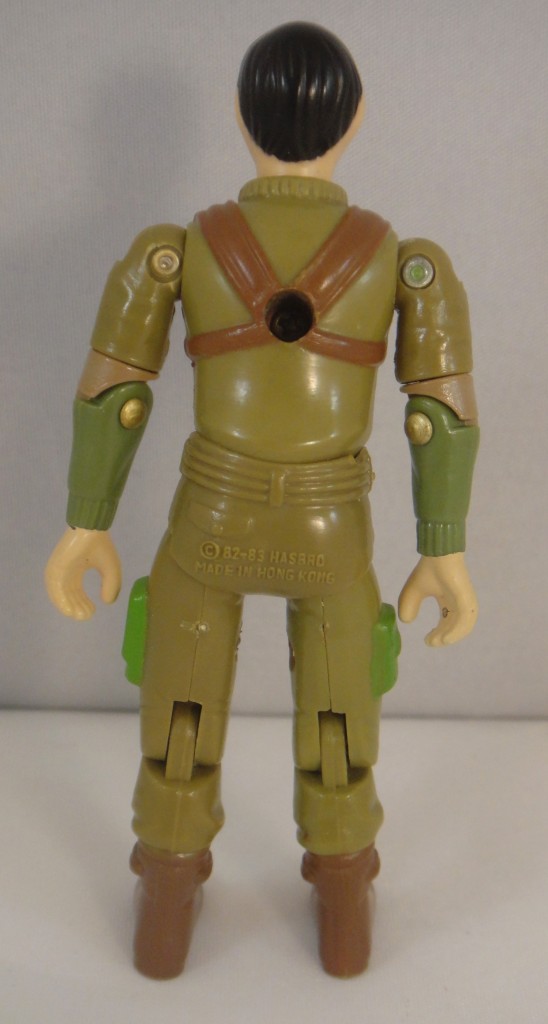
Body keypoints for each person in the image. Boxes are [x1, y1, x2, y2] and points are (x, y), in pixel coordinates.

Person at [45, 22, 479, 979]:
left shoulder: (176, 251)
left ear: (239, 119)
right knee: (339, 727)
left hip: (213, 517)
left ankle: (165, 906)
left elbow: (115, 395)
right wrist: (443, 546)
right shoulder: (403, 260)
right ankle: (345, 906)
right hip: (333, 529)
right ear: (357, 121)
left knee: (180, 718)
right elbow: (437, 416)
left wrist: (86, 523)